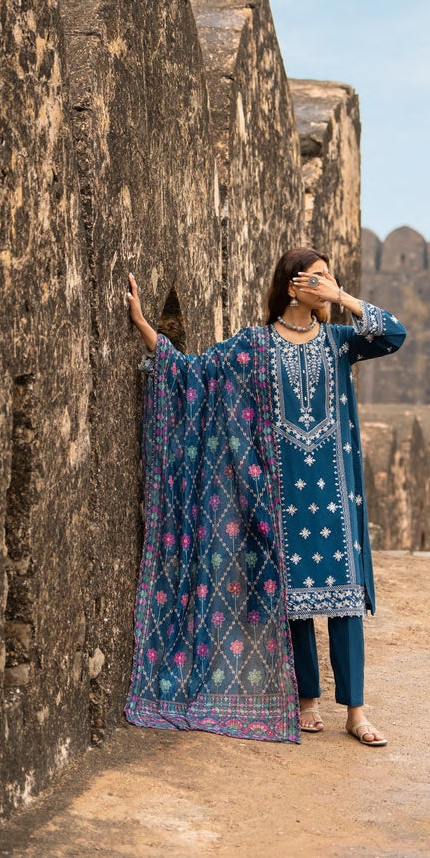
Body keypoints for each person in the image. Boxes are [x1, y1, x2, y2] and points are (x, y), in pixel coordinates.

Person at [125, 247, 405, 746]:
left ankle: (357, 713)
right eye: (317, 277)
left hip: (335, 490)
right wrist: (146, 326)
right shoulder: (254, 345)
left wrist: (341, 297)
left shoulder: (340, 342)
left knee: (344, 601)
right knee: (292, 600)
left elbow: (393, 335)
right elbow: (194, 374)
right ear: (292, 285)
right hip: (279, 490)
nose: (326, 283)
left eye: (330, 276)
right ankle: (307, 702)